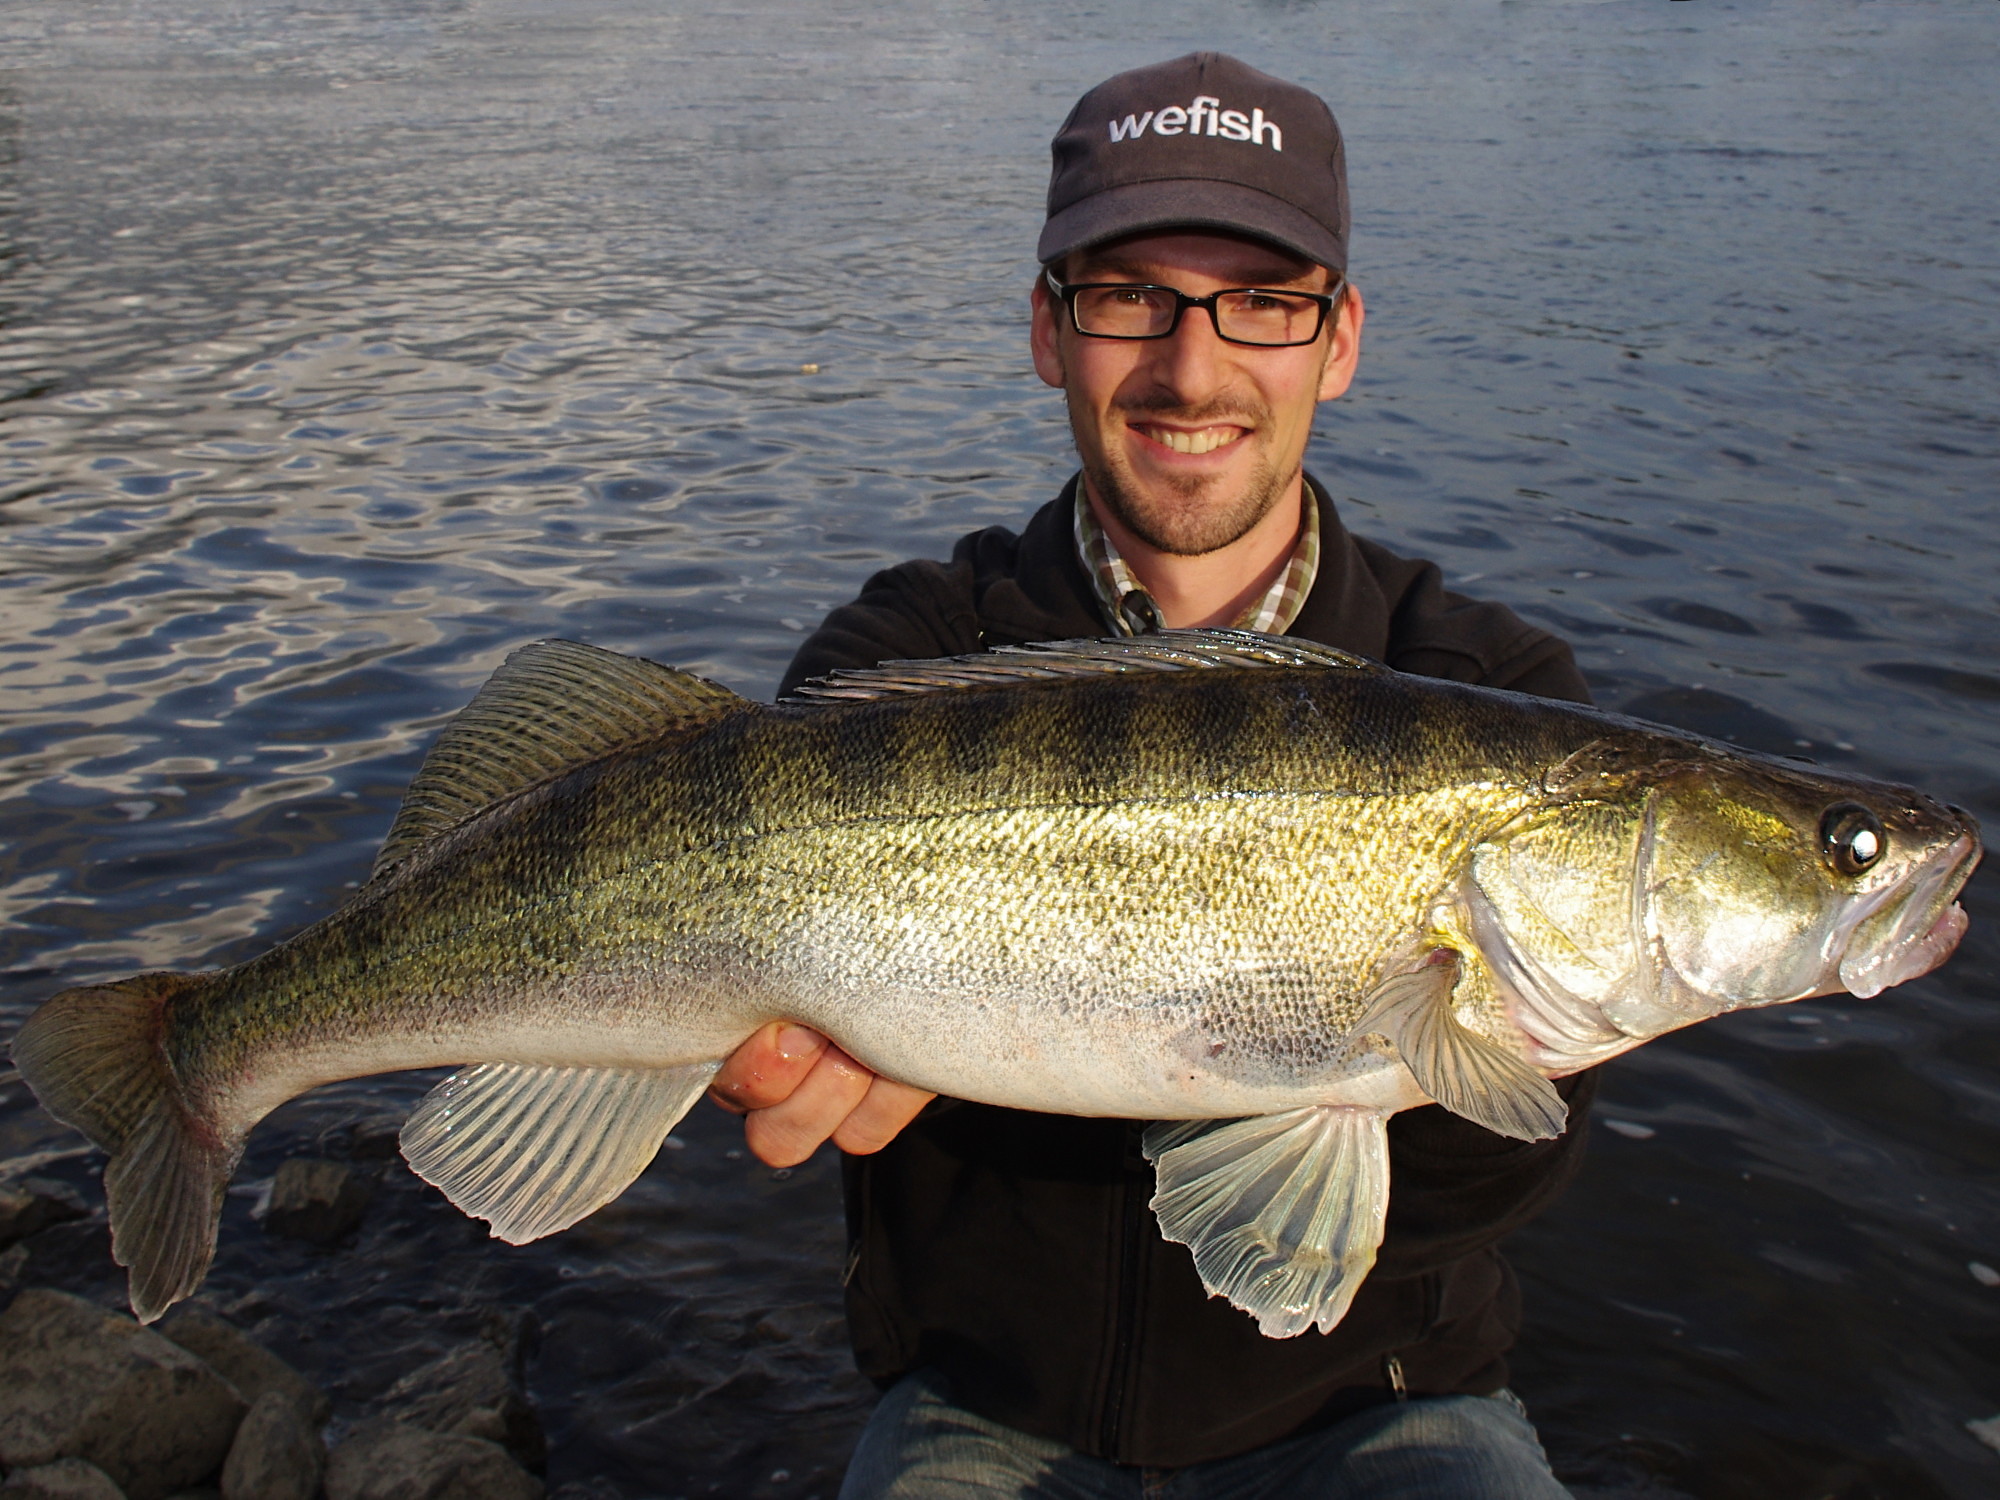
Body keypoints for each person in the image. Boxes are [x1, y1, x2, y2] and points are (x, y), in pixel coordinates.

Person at [707, 53, 1592, 1499]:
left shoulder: (1493, 693)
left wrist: (1436, 1065)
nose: (1194, 369)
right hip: (989, 1414)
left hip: (1385, 1409)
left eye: (1265, 301)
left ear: (1341, 338)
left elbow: (1511, 1176)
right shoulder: (909, 657)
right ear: (1050, 334)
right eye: (1128, 297)